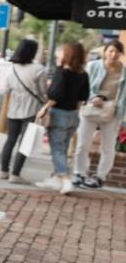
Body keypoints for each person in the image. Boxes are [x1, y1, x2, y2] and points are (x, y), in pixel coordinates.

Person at [36, 42, 90, 195]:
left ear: (68, 54)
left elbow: (56, 95)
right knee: (63, 149)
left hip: (59, 114)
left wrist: (44, 108)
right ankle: (57, 179)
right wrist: (74, 113)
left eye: (61, 51)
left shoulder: (62, 72)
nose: (58, 54)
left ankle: (66, 179)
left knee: (57, 150)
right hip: (73, 115)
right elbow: (83, 98)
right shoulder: (83, 74)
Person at [73, 40, 124, 190]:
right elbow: (83, 86)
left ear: (121, 54)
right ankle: (79, 173)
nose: (113, 54)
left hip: (113, 112)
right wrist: (92, 97)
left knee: (108, 147)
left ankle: (100, 177)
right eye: (111, 51)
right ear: (105, 52)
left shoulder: (124, 72)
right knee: (82, 144)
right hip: (90, 108)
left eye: (117, 52)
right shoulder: (93, 66)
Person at [0, 39, 47, 184]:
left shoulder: (11, 67)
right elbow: (43, 91)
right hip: (31, 109)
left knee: (10, 140)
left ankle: (3, 171)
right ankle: (15, 174)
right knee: (25, 142)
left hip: (14, 107)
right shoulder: (38, 69)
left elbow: (6, 90)